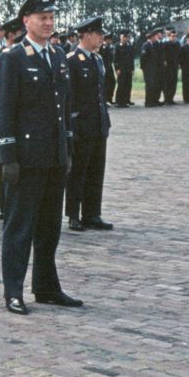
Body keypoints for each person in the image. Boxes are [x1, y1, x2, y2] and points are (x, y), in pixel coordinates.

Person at [0, 0, 81, 315]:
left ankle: (46, 287)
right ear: (26, 20)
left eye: (52, 17)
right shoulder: (11, 58)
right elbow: (2, 111)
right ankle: (13, 291)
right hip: (25, 160)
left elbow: (64, 107)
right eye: (42, 17)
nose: (48, 22)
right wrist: (7, 158)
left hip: (53, 157)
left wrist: (67, 148)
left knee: (49, 227)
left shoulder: (57, 56)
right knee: (19, 228)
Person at [64, 17, 113, 233]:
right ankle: (74, 215)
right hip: (81, 126)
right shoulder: (72, 60)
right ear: (85, 35)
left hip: (98, 123)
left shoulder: (98, 60)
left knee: (96, 170)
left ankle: (92, 213)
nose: (102, 38)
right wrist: (72, 126)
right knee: (78, 172)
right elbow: (69, 97)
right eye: (98, 34)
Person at [0, 17, 25, 219]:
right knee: (4, 162)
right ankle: (3, 204)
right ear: (10, 34)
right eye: (19, 32)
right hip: (3, 114)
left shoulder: (25, 54)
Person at [140, 28, 163, 107]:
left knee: (154, 84)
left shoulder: (153, 44)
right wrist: (144, 67)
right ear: (151, 37)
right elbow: (143, 57)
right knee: (149, 85)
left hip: (153, 68)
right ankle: (148, 102)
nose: (155, 38)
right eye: (154, 37)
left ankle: (154, 100)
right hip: (148, 69)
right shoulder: (145, 45)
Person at [113, 31, 135, 107]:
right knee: (121, 85)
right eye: (123, 38)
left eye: (126, 38)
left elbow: (132, 59)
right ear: (120, 38)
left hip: (128, 69)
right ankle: (119, 101)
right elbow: (115, 59)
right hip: (121, 69)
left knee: (128, 85)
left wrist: (132, 69)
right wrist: (117, 69)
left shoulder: (129, 46)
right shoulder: (117, 46)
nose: (125, 39)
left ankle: (126, 100)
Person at [162, 27, 180, 105]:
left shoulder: (177, 44)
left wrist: (179, 63)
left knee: (174, 82)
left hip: (175, 66)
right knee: (167, 83)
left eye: (175, 36)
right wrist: (164, 61)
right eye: (172, 36)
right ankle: (167, 99)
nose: (173, 38)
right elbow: (163, 55)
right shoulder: (165, 44)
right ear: (169, 36)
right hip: (168, 67)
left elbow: (179, 55)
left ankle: (171, 98)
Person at [100, 31, 116, 105]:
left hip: (109, 67)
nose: (111, 41)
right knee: (105, 84)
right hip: (103, 67)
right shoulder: (101, 47)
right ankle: (104, 100)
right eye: (110, 39)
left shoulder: (110, 47)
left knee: (112, 82)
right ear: (106, 39)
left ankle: (109, 98)